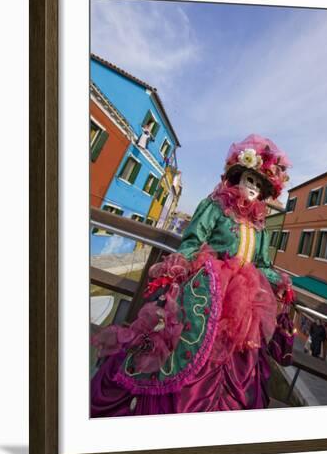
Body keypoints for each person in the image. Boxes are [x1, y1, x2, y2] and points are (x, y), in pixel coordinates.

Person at [91, 134, 296, 416]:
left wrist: (279, 281)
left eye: (259, 185)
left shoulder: (260, 226)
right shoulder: (216, 207)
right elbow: (192, 242)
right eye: (250, 179)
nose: (252, 188)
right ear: (239, 178)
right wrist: (177, 267)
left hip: (244, 303)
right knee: (182, 346)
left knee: (236, 360)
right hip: (209, 289)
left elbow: (261, 264)